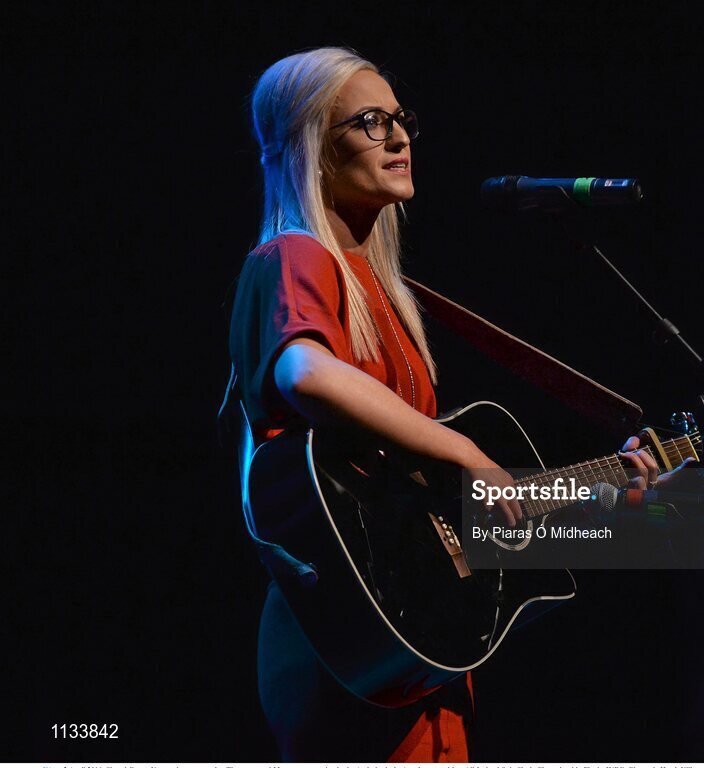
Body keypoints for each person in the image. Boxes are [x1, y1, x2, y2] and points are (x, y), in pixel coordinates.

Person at [228, 46, 674, 762]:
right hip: (339, 639)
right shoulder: (295, 256)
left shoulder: (387, 293)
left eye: (400, 119)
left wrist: (597, 496)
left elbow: (436, 514)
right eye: (370, 122)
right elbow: (303, 372)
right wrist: (466, 450)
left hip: (417, 646)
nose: (400, 137)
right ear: (311, 147)